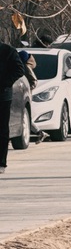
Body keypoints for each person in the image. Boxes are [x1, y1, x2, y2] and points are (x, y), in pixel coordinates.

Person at [0, 41, 26, 174]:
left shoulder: (7, 51)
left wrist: (5, 83)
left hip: (3, 95)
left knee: (2, 129)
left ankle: (1, 162)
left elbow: (19, 70)